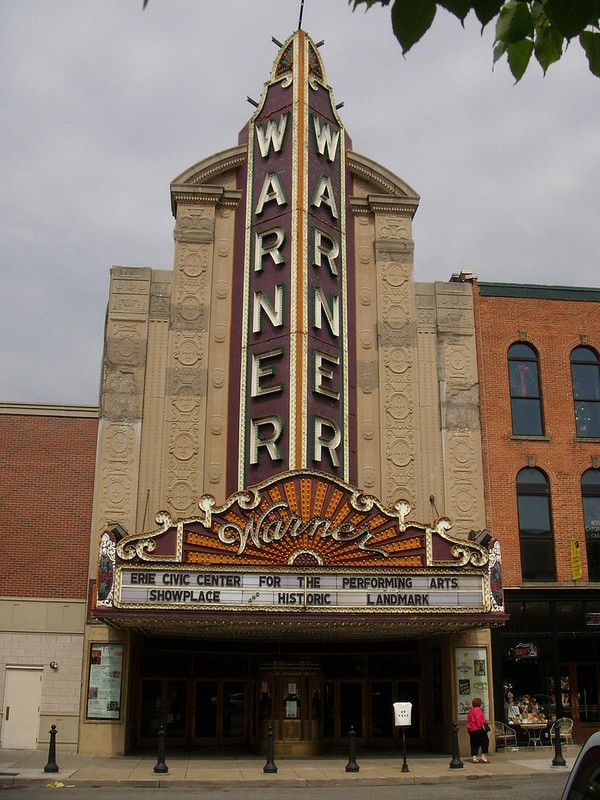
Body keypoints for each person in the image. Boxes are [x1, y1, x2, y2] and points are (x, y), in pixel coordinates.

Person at [466, 697, 490, 763]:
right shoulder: (478, 710)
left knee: (474, 743)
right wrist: (482, 725)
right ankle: (483, 757)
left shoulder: (471, 710)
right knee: (484, 741)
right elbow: (478, 719)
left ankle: (474, 757)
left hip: (471, 729)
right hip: (478, 729)